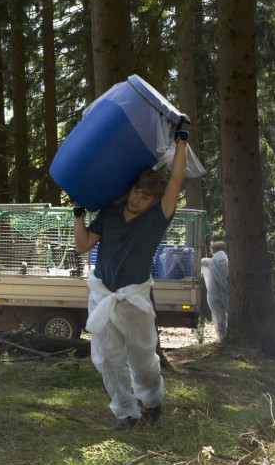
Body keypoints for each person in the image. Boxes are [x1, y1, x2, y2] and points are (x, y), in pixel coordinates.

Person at [73, 118, 191, 431]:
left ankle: (152, 403)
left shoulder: (157, 218)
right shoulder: (110, 212)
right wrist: (78, 215)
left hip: (135, 300)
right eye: (136, 191)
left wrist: (181, 138)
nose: (137, 199)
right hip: (102, 295)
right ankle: (126, 413)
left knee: (142, 360)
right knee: (107, 360)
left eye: (145, 197)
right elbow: (83, 245)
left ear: (154, 202)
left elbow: (176, 179)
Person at [201, 241, 229, 341]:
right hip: (228, 295)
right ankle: (230, 337)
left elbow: (194, 265)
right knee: (231, 317)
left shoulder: (208, 262)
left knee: (220, 319)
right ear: (224, 249)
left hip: (213, 296)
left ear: (214, 250)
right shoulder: (230, 262)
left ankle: (222, 339)